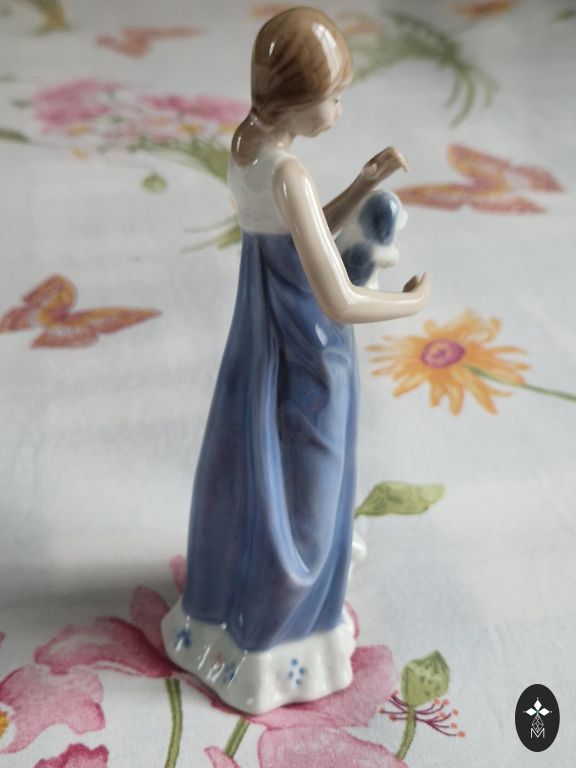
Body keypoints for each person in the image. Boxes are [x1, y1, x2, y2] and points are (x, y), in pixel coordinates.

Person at [162, 7, 429, 715]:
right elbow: (338, 296)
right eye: (333, 98)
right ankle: (283, 632)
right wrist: (408, 303)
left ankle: (228, 609)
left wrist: (363, 183)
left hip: (260, 329)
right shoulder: (290, 173)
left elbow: (293, 227)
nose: (338, 111)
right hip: (307, 340)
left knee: (256, 463)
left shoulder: (245, 144)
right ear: (297, 100)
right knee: (309, 481)